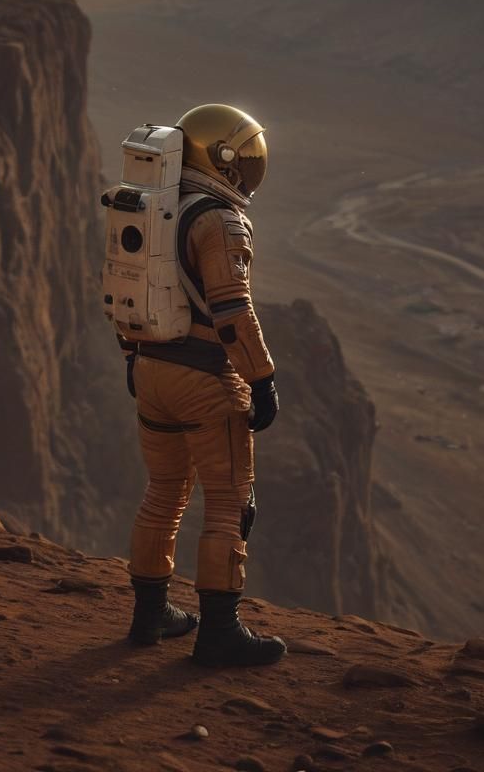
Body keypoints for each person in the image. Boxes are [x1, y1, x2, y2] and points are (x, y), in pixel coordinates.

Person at [120, 103, 286, 667]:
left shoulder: (153, 209)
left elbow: (127, 284)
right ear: (222, 159)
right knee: (229, 501)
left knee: (164, 493)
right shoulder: (220, 221)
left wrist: (131, 353)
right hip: (204, 378)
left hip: (149, 367)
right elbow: (232, 313)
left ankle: (150, 616)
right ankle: (219, 632)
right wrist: (261, 379)